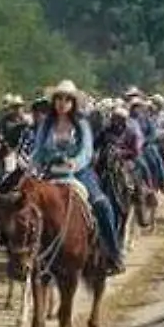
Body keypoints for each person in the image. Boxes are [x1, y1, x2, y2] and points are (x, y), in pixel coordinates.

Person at [32, 81, 124, 274]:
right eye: (59, 99)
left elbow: (86, 151)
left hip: (79, 173)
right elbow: (38, 151)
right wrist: (36, 166)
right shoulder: (46, 125)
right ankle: (24, 251)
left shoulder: (81, 124)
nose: (62, 103)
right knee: (24, 205)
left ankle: (113, 254)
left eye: (67, 99)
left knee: (102, 205)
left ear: (73, 103)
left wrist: (75, 162)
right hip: (50, 172)